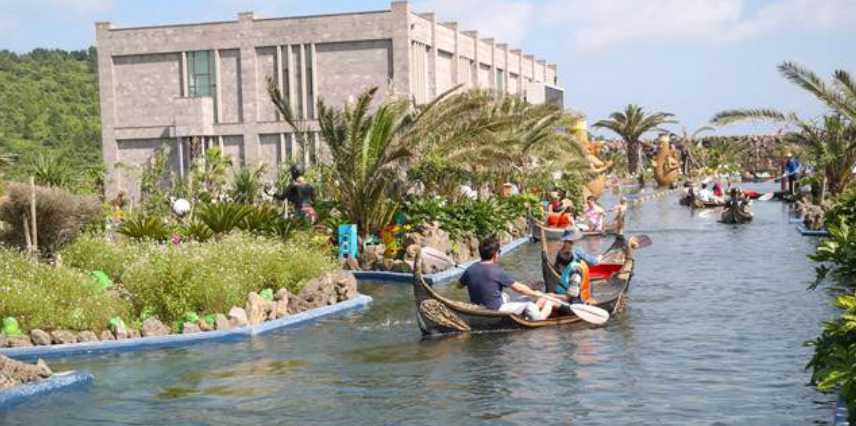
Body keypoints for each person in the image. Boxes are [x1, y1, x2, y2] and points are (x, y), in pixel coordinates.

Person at [459, 237, 553, 320]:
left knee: (505, 295)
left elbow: (459, 286)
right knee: (530, 305)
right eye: (499, 252)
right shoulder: (496, 271)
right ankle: (542, 316)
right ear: (495, 254)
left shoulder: (470, 269)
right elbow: (519, 288)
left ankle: (523, 310)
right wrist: (534, 293)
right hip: (495, 309)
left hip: (478, 307)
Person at [553, 229, 601, 304]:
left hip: (563, 280)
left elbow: (556, 267)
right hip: (573, 279)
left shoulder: (560, 252)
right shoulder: (576, 250)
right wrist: (599, 258)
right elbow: (594, 262)